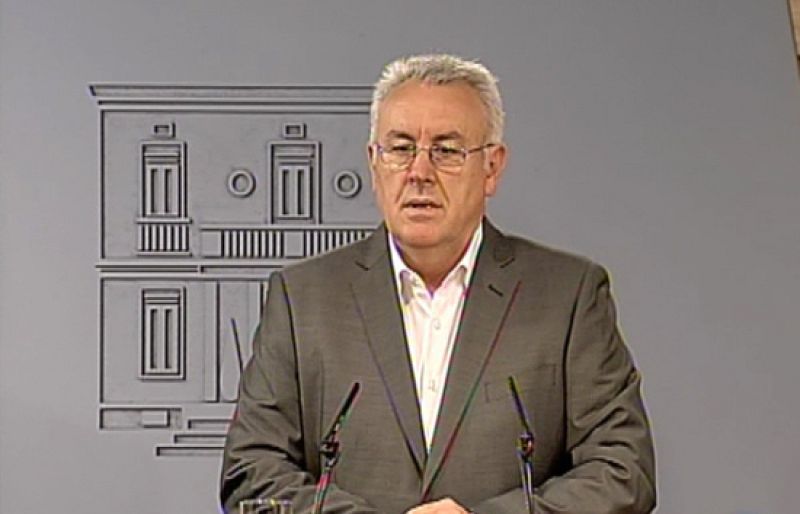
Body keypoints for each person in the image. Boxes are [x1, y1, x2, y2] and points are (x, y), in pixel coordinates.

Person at [220, 54, 656, 514]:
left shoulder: (567, 296)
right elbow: (252, 472)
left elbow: (622, 472)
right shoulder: (303, 299)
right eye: (401, 148)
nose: (419, 172)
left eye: (447, 151)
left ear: (492, 168)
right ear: (374, 163)